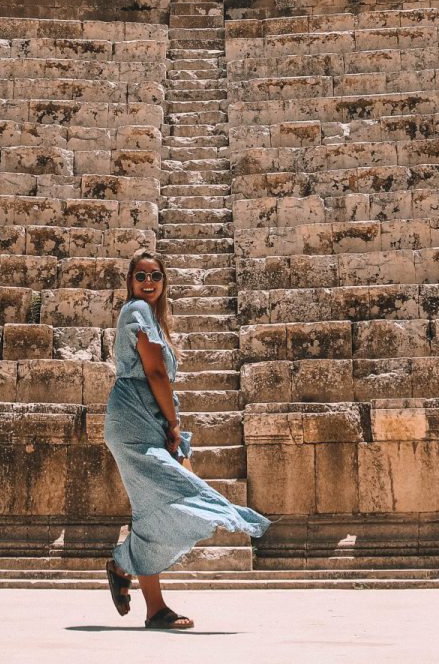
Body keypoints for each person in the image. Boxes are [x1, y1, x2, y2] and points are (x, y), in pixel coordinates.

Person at [102, 250, 269, 630]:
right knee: (182, 490)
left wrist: (168, 422)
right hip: (133, 422)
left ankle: (151, 604)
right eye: (141, 276)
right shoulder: (137, 312)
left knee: (150, 509)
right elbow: (157, 374)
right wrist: (175, 425)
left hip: (148, 417)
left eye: (155, 277)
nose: (148, 283)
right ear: (130, 281)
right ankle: (123, 563)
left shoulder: (153, 320)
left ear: (164, 282)